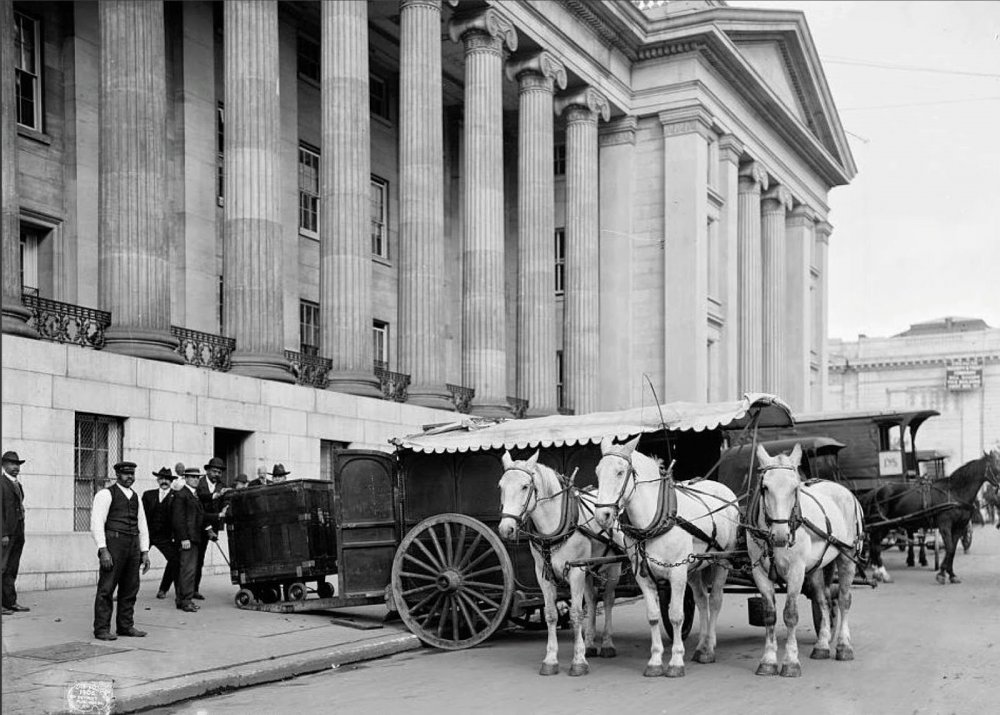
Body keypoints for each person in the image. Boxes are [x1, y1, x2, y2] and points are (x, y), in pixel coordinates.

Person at [90, 461, 151, 640]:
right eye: (125, 474)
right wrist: (103, 550)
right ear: (117, 475)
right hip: (114, 543)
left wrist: (145, 551)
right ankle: (101, 629)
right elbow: (96, 523)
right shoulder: (105, 494)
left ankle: (125, 626)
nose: (129, 477)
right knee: (106, 588)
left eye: (132, 474)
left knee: (131, 587)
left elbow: (143, 525)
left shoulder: (135, 496)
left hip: (132, 545)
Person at [172, 467, 208, 612]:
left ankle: (182, 600)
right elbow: (178, 519)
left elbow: (200, 516)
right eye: (192, 477)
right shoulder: (182, 495)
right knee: (188, 570)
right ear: (185, 478)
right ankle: (186, 601)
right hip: (188, 539)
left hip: (194, 537)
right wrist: (184, 538)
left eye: (197, 477)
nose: (195, 479)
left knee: (188, 569)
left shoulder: (193, 494)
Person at [194, 457, 229, 598]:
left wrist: (226, 506)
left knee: (199, 559)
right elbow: (199, 508)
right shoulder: (199, 484)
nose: (217, 474)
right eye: (214, 471)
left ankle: (194, 589)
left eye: (219, 472)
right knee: (190, 560)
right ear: (207, 471)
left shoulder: (222, 485)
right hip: (196, 526)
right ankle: (177, 589)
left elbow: (225, 499)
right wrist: (208, 528)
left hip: (211, 528)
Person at [142, 467, 179, 600]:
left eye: (167, 479)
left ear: (171, 481)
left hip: (165, 536)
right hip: (148, 535)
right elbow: (141, 516)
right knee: (133, 562)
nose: (164, 481)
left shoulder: (176, 496)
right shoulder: (148, 495)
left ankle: (163, 589)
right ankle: (124, 592)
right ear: (157, 480)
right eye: (162, 479)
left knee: (175, 560)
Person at [2, 451, 29, 615]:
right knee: (2, 567)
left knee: (12, 567)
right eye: (12, 464)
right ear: (3, 465)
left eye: (17, 464)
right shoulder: (1, 483)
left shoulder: (17, 484)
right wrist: (3, 533)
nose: (16, 467)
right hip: (5, 533)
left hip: (18, 531)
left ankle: (10, 602)